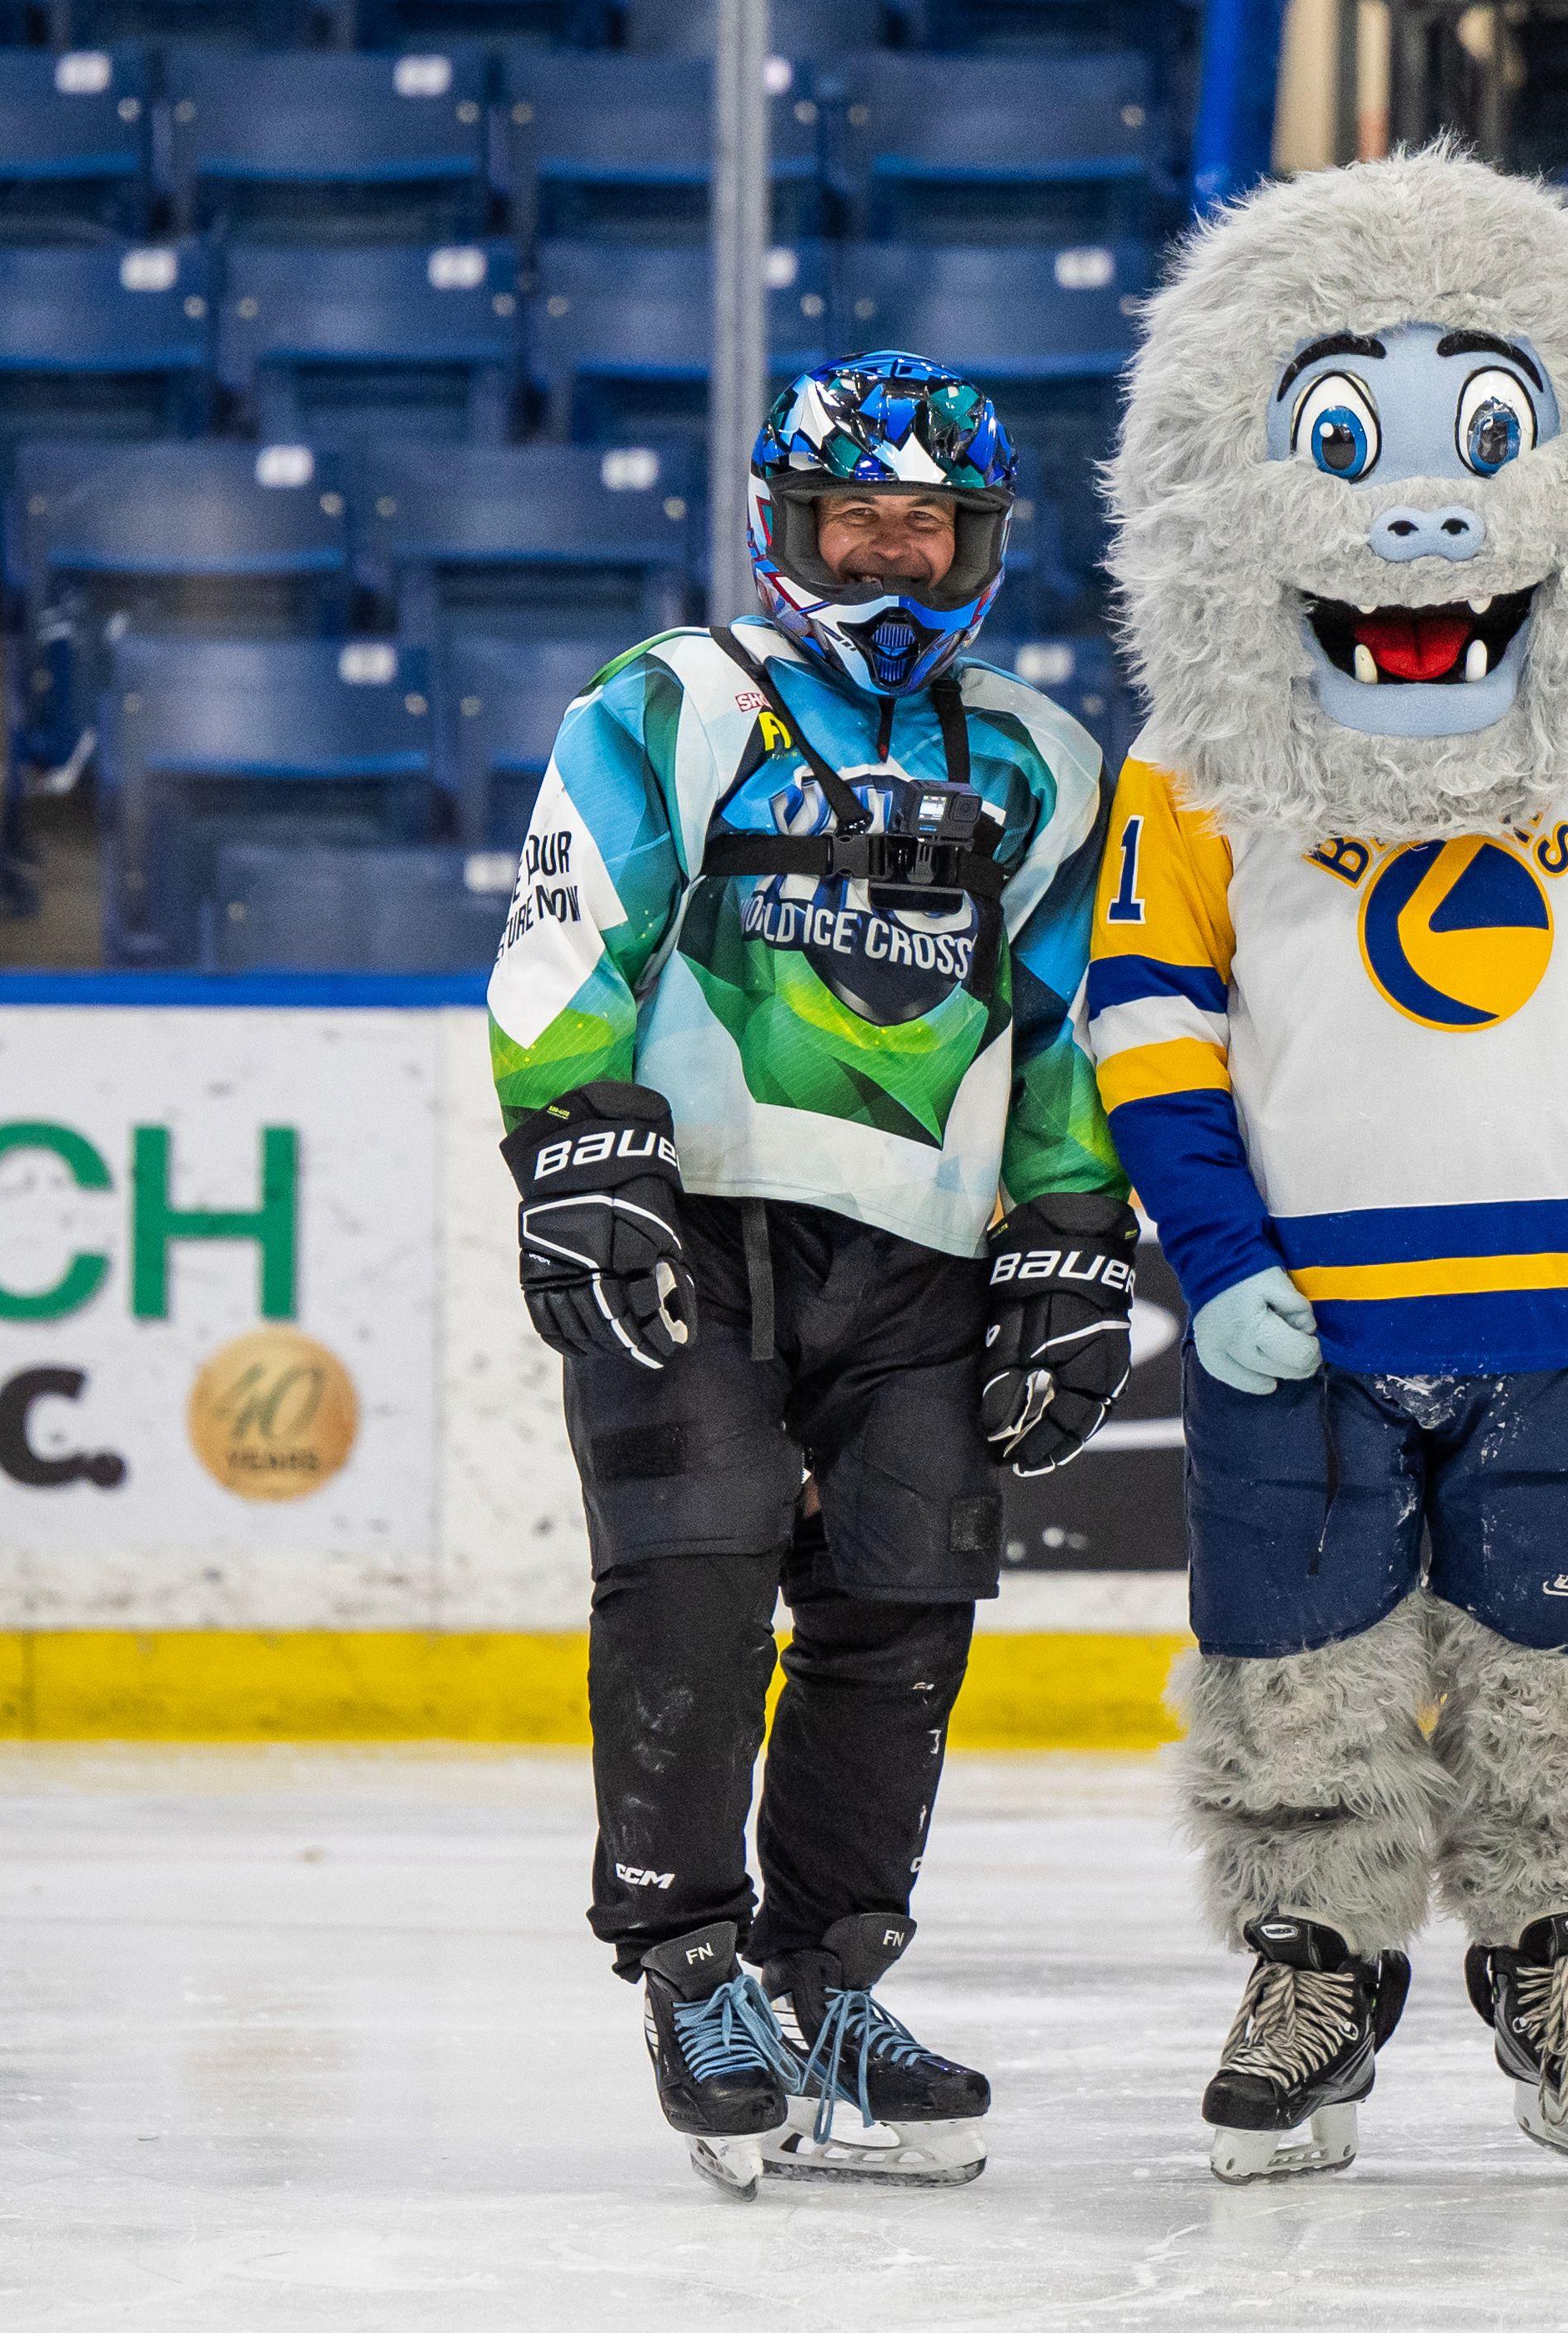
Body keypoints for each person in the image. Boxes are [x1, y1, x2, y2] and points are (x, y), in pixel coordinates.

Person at [1092, 150, 1568, 2187]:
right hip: (1305, 1317)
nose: (1419, 515)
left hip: (1561, 1306)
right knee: (1295, 1666)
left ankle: (1558, 1962)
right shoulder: (1188, 767)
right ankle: (1317, 1970)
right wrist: (1207, 1256)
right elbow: (1150, 1031)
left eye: (1482, 436)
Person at [485, 350, 1136, 2195]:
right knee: (689, 1573)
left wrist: (1076, 1230)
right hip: (687, 1217)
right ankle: (689, 1962)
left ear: (982, 544)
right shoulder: (673, 701)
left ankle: (829, 1969)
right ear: (788, 529)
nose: (891, 562)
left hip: (924, 1250)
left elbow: (1070, 1023)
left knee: (903, 1601)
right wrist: (572, 1132)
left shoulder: (1042, 761)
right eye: (856, 523)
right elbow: (570, 926)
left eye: (929, 531)